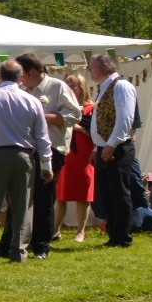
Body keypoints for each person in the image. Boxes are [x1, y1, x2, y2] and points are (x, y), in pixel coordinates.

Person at [0, 60, 55, 262]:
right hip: (24, 156)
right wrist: (46, 164)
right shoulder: (31, 100)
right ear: (20, 77)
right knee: (23, 207)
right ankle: (19, 252)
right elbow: (42, 136)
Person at [18, 53, 80, 257]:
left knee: (44, 197)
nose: (20, 78)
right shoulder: (22, 89)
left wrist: (43, 117)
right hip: (26, 149)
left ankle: (42, 244)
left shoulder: (57, 87)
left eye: (22, 74)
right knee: (21, 197)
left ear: (33, 71)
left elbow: (73, 115)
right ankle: (18, 241)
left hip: (51, 149)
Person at [88, 53, 146, 248]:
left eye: (92, 67)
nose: (90, 70)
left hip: (118, 147)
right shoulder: (105, 87)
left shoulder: (121, 86)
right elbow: (102, 120)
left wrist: (111, 144)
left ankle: (123, 236)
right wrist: (98, 146)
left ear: (104, 65)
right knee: (109, 192)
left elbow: (124, 119)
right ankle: (114, 234)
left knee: (120, 193)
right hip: (106, 147)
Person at [55, 73, 97, 242]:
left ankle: (81, 231)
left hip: (83, 154)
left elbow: (95, 131)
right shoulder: (62, 107)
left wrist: (78, 127)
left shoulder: (91, 108)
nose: (71, 88)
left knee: (83, 192)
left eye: (74, 85)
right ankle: (55, 229)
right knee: (61, 193)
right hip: (65, 152)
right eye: (68, 85)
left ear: (82, 88)